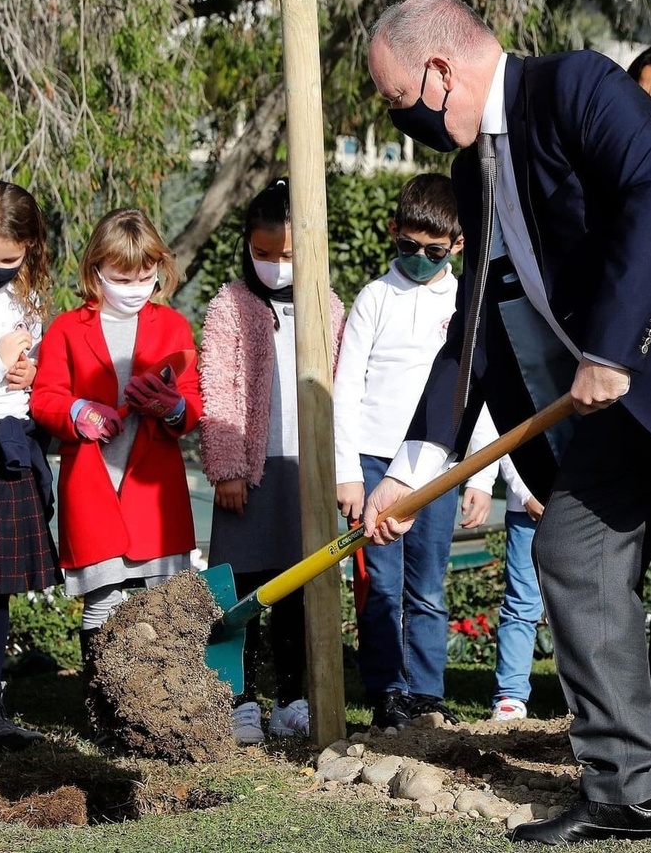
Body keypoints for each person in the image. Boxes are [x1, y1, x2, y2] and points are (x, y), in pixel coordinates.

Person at [364, 0, 651, 844]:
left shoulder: (577, 90)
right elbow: (477, 328)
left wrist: (611, 347)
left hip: (629, 370)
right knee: (572, 552)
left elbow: (649, 192)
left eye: (394, 98)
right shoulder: (471, 172)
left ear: (438, 70)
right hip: (611, 418)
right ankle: (625, 792)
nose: (396, 116)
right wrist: (409, 471)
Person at [334, 173, 496, 731]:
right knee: (381, 584)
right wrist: (347, 471)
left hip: (440, 469)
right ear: (392, 232)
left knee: (427, 585)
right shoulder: (375, 298)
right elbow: (347, 388)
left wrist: (482, 475)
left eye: (434, 250)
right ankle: (387, 690)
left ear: (457, 244)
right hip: (377, 460)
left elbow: (479, 392)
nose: (420, 259)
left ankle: (426, 692)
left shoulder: (469, 300)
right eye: (408, 247)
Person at [200, 177, 345, 745]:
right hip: (249, 475)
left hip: (303, 475)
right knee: (238, 593)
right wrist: (228, 466)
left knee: (297, 592)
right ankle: (237, 700)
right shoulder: (230, 305)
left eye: (286, 256)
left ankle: (292, 697)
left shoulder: (327, 306)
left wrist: (334, 470)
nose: (274, 266)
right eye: (262, 254)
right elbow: (218, 387)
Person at [30, 209, 201, 670]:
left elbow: (191, 404)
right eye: (122, 279)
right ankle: (105, 708)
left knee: (168, 605)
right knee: (102, 602)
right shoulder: (66, 328)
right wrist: (77, 411)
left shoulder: (173, 326)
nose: (135, 288)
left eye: (145, 277)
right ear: (96, 272)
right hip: (93, 482)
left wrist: (171, 407)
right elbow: (45, 397)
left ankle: (170, 706)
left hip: (154, 487)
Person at [0, 177, 60, 752]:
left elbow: (23, 369)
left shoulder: (26, 294)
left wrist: (26, 376)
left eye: (9, 257)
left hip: (10, 447)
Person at [491, 453, 544, 722]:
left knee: (592, 604)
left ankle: (593, 697)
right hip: (528, 509)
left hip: (592, 505)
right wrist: (526, 494)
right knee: (521, 603)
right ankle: (510, 696)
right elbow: (510, 434)